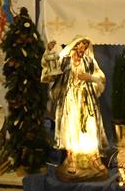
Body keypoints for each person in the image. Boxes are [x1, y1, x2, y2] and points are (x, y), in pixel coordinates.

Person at [41, 36, 108, 177]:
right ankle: (71, 159)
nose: (83, 47)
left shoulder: (89, 61)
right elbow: (51, 69)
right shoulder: (65, 60)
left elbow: (100, 78)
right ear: (75, 45)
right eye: (81, 44)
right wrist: (48, 52)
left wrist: (90, 78)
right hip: (70, 99)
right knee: (71, 128)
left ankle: (94, 159)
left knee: (90, 128)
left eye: (85, 45)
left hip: (86, 99)